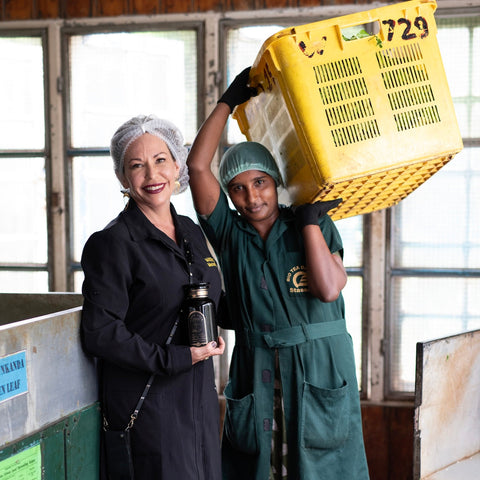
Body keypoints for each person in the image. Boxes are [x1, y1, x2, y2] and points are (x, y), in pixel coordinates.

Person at [186, 69, 370, 479]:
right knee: (259, 466)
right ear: (230, 197)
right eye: (238, 188)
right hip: (258, 365)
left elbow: (327, 289)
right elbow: (198, 168)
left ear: (276, 182)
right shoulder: (230, 234)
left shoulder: (314, 223)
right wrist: (227, 101)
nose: (252, 197)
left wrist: (307, 223)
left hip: (321, 365)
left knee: (325, 466)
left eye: (261, 182)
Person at [80, 114, 225, 480]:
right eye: (137, 166)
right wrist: (175, 357)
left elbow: (211, 299)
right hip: (150, 409)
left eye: (161, 160)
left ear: (177, 165)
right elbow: (99, 332)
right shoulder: (112, 243)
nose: (152, 175)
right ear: (122, 178)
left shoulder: (189, 230)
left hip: (199, 405)